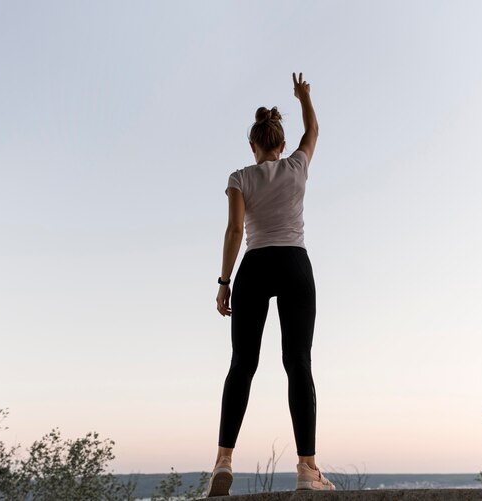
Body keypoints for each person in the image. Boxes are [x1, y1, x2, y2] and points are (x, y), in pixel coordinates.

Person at [206, 72, 335, 497]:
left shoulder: (240, 177)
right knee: (298, 363)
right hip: (294, 263)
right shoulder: (296, 165)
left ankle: (223, 462)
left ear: (253, 146)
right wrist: (304, 98)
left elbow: (235, 230)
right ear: (281, 146)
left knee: (242, 364)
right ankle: (307, 468)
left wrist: (224, 281)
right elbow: (313, 130)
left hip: (255, 267)